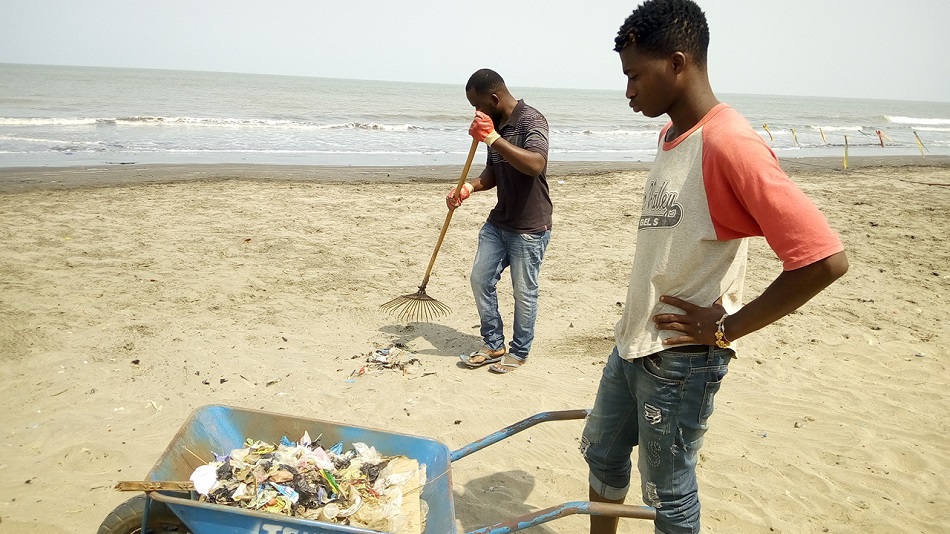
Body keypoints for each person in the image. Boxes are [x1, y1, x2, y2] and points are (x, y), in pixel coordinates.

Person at [580, 2, 849, 533]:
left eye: (635, 75)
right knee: (602, 457)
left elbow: (823, 258)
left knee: (668, 494)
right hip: (633, 340)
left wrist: (726, 326)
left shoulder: (729, 143)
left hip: (680, 362)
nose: (628, 91)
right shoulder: (671, 135)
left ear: (678, 63)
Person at [449, 68, 552, 374]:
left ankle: (519, 352)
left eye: (478, 105)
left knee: (524, 292)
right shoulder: (496, 126)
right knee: (480, 278)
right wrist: (468, 187)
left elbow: (535, 164)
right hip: (499, 222)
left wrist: (492, 137)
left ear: (493, 98)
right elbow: (493, 172)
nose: (477, 112)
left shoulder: (532, 120)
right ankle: (494, 343)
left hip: (530, 227)